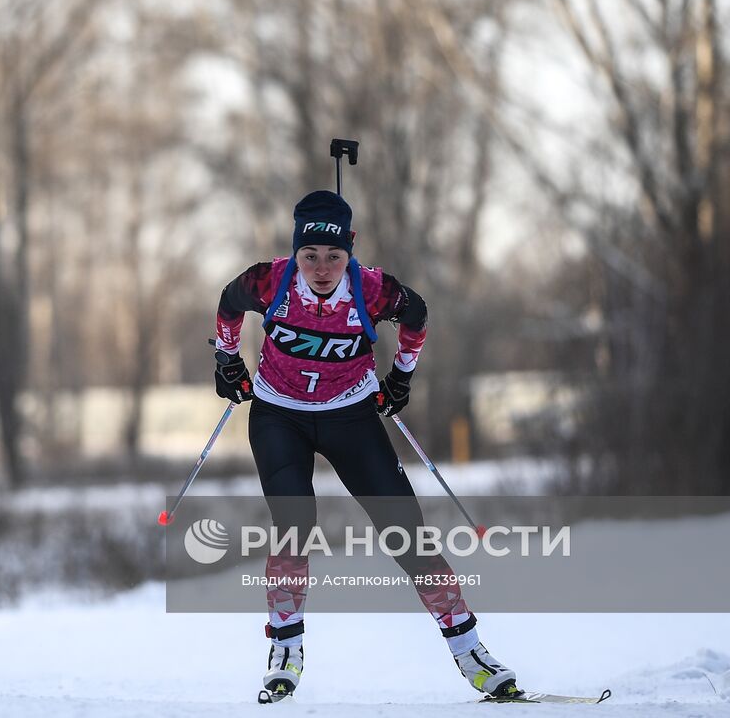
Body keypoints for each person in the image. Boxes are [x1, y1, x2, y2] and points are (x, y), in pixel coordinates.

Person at [214, 189, 519, 704]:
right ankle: (285, 649)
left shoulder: (372, 289)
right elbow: (228, 303)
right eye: (310, 256)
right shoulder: (271, 280)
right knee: (295, 524)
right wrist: (226, 360)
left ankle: (472, 652)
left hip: (350, 415)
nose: (323, 268)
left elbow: (417, 316)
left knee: (405, 532)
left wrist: (400, 377)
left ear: (350, 251)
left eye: (335, 256)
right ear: (297, 252)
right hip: (278, 415)